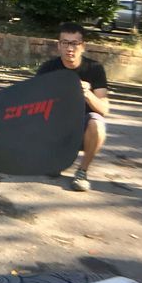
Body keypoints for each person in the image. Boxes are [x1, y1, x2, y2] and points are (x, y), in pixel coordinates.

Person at [36, 22, 110, 191]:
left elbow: (104, 109)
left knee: (97, 124)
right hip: (57, 125)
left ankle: (82, 171)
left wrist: (88, 94)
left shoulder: (95, 69)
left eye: (75, 43)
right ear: (59, 45)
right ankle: (56, 159)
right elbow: (33, 102)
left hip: (83, 126)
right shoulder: (48, 68)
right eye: (65, 42)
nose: (70, 48)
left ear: (82, 46)